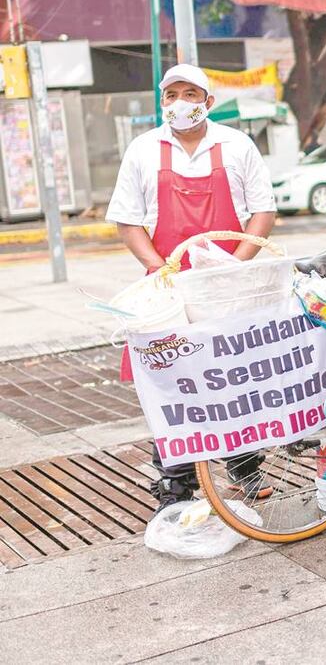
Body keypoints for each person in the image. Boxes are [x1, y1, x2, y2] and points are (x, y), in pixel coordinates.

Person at [106, 63, 277, 511]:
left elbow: (263, 211)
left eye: (189, 93)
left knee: (233, 377)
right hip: (167, 287)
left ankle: (243, 466)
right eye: (171, 95)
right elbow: (127, 219)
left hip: (227, 284)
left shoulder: (237, 146)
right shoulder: (143, 150)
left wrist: (234, 267)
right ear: (163, 103)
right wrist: (159, 267)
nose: (179, 103)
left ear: (208, 102)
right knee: (171, 384)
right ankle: (176, 482)